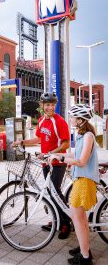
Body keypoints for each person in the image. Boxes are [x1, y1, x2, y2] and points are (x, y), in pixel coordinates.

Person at [12, 92, 71, 239]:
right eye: (47, 104)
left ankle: (66, 224)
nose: (50, 107)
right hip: (46, 162)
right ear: (42, 106)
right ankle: (57, 219)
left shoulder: (60, 121)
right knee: (51, 192)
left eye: (52, 104)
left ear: (55, 106)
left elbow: (66, 143)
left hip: (57, 162)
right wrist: (22, 142)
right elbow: (38, 138)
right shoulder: (41, 121)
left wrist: (52, 153)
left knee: (55, 192)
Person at [48, 104, 99, 265]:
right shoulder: (82, 135)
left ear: (80, 120)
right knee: (81, 218)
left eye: (73, 117)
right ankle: (85, 248)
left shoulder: (88, 136)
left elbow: (81, 161)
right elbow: (74, 154)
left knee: (78, 218)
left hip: (84, 181)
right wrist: (56, 154)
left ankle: (85, 258)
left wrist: (61, 159)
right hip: (80, 179)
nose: (70, 119)